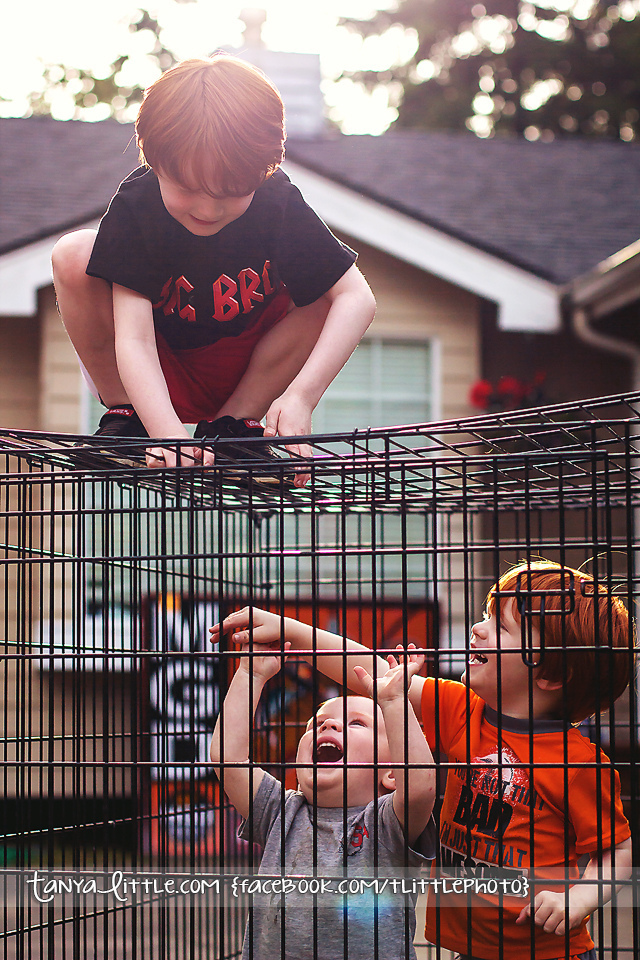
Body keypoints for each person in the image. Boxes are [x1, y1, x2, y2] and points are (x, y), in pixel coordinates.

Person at [214, 561, 634, 960]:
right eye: (485, 617)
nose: (477, 629)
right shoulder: (461, 711)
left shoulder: (579, 764)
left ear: (551, 675)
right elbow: (370, 673)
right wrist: (291, 631)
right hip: (470, 948)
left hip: (550, 951)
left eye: (499, 627)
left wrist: (580, 899)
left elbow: (617, 851)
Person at [51, 55, 376, 484]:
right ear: (154, 160)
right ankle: (127, 420)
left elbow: (357, 298)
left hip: (245, 372)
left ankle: (233, 430)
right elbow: (135, 340)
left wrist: (301, 397)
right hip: (154, 374)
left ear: (263, 171)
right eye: (187, 188)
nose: (207, 209)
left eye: (231, 192)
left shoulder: (276, 201)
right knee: (74, 253)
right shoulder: (137, 208)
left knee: (327, 294)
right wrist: (166, 434)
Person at [209, 633, 437, 960]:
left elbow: (419, 786)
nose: (328, 724)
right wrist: (250, 674)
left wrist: (394, 703)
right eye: (315, 724)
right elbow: (227, 758)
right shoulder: (279, 811)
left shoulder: (386, 823)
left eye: (356, 723)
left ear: (391, 772)